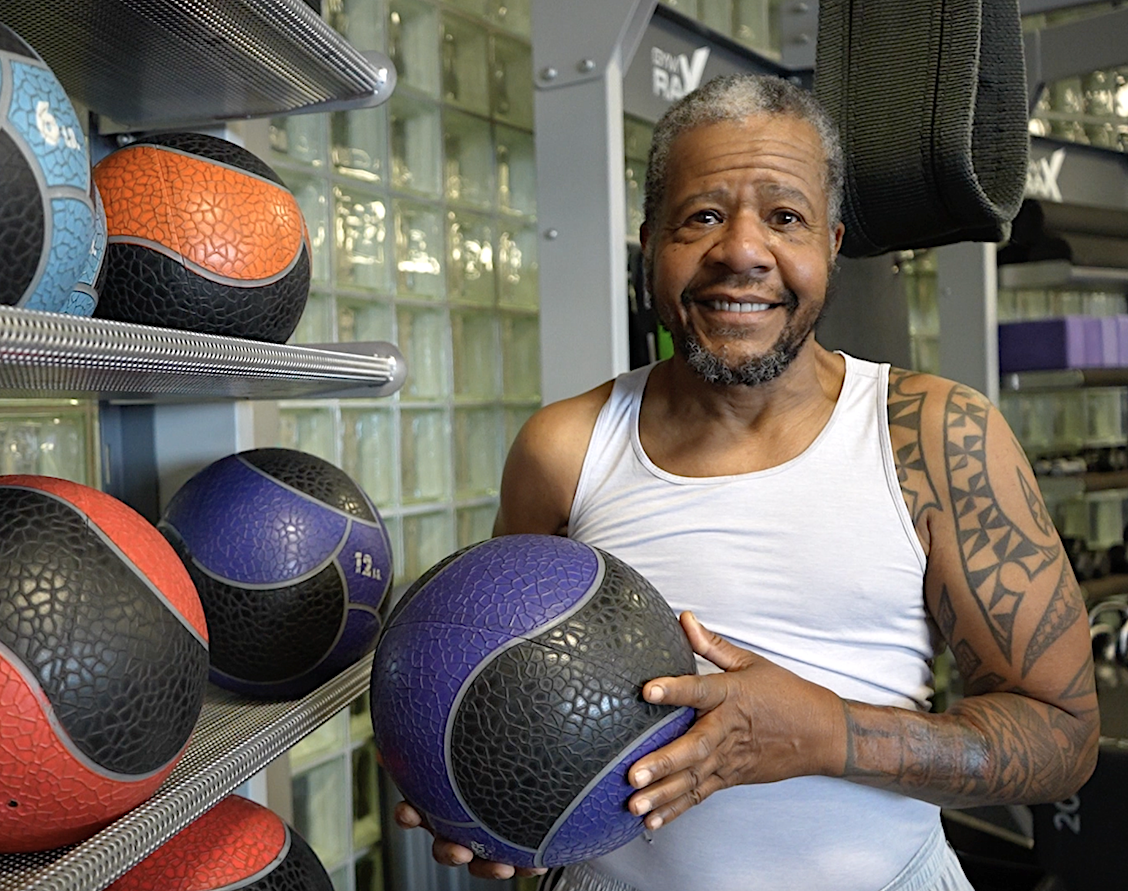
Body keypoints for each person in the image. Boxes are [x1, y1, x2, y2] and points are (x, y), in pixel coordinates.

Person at [393, 74, 1100, 891]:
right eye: (701, 216)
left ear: (830, 244)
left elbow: (1063, 738)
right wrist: (493, 806)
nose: (741, 250)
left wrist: (829, 732)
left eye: (785, 217)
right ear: (652, 239)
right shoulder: (565, 448)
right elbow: (504, 703)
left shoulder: (937, 437)